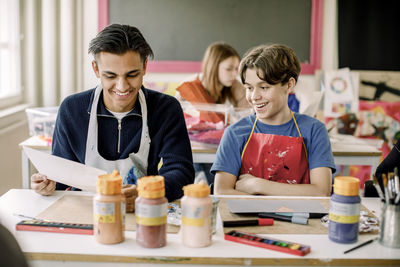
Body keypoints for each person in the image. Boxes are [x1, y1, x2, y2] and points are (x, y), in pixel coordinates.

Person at [31, 24, 195, 210]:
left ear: (144, 66)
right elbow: (61, 176)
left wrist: (145, 192)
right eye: (110, 76)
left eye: (132, 75)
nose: (122, 86)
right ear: (96, 69)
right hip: (85, 212)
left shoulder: (166, 109)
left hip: (143, 208)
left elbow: (181, 172)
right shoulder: (72, 109)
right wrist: (48, 183)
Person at [211, 44, 335, 196]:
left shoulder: (314, 130)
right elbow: (222, 191)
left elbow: (321, 191)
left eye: (264, 87)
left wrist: (258, 185)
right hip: (250, 220)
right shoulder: (234, 133)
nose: (254, 97)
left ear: (289, 85)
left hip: (301, 219)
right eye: (249, 88)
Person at [176, 42, 250, 185]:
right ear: (214, 67)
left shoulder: (235, 86)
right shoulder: (189, 87)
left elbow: (247, 118)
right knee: (200, 179)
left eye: (236, 69)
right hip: (194, 151)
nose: (235, 74)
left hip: (222, 151)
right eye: (229, 69)